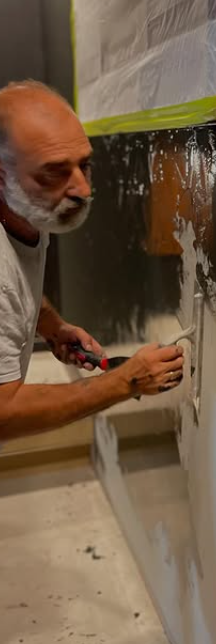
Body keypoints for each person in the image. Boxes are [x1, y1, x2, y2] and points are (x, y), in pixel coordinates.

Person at [0, 81, 184, 441]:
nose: (82, 189)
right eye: (54, 172)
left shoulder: (25, 208)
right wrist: (126, 381)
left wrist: (52, 326)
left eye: (84, 165)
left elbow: (16, 284)